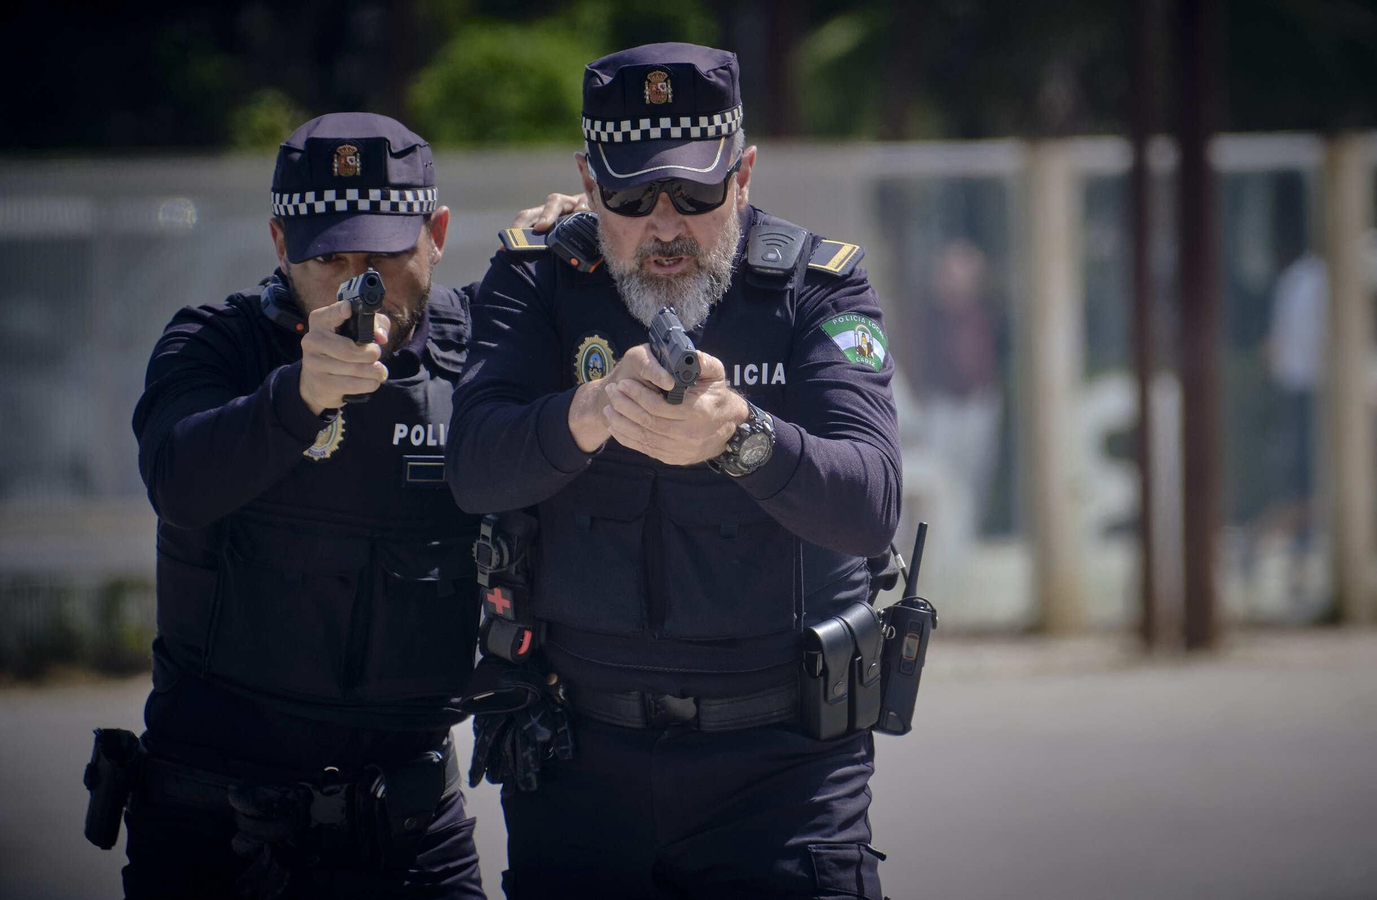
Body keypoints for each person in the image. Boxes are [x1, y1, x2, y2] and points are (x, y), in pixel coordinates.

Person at [446, 43, 903, 899]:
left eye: (696, 193)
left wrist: (742, 439)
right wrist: (588, 414)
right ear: (587, 183)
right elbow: (473, 467)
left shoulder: (818, 289)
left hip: (781, 770)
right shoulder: (537, 276)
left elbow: (871, 499)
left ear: (745, 173)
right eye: (629, 195)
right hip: (579, 762)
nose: (665, 227)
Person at [115, 113, 495, 899]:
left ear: (438, 233)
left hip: (410, 826)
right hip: (217, 823)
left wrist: (572, 245)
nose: (358, 281)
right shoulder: (215, 345)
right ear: (281, 245)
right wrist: (296, 397)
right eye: (329, 256)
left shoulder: (484, 352)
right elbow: (179, 482)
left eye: (383, 254)